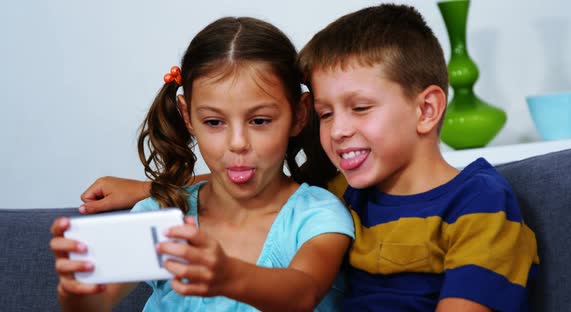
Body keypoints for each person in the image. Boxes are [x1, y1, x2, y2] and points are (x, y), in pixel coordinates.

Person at [80, 4, 539, 311]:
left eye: (359, 108)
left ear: (426, 109)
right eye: (325, 113)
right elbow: (251, 179)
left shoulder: (479, 203)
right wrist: (150, 190)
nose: (337, 130)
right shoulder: (346, 191)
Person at [50, 16, 354, 312]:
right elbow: (96, 303)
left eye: (260, 120)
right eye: (214, 121)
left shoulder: (318, 215)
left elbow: (303, 293)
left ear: (299, 114)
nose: (237, 142)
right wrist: (78, 294)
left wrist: (228, 276)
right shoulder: (160, 215)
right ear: (187, 116)